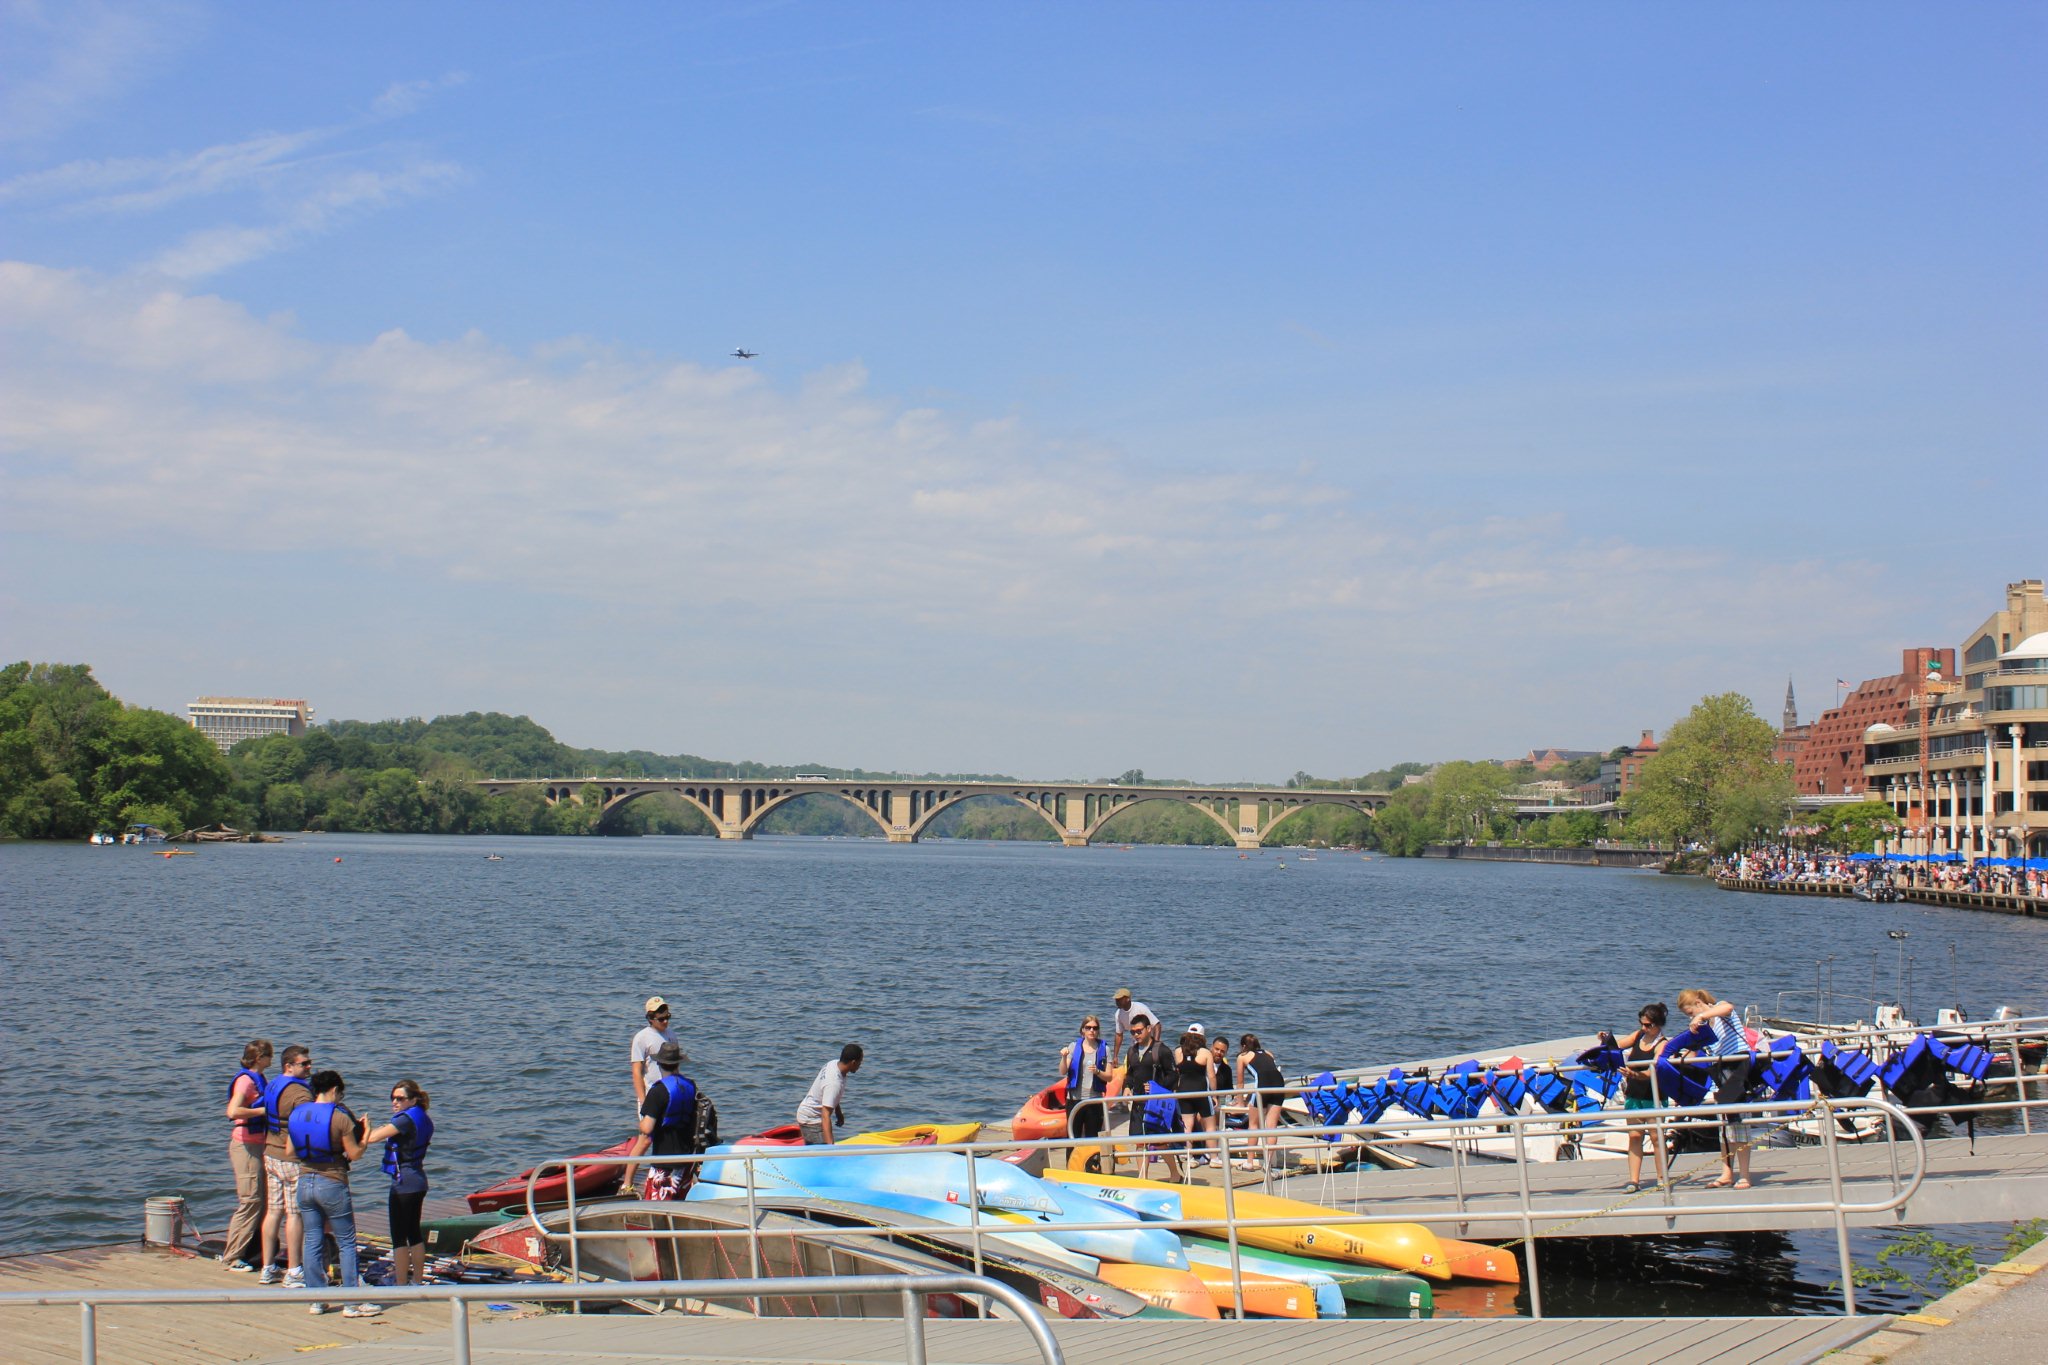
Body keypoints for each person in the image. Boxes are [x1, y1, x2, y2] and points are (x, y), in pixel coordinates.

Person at [287, 1070, 379, 1318]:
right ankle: (352, 1303)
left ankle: (316, 1300)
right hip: (332, 1181)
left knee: (312, 1239)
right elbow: (356, 1154)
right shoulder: (340, 1118)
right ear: (335, 1090)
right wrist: (366, 1132)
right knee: (347, 1241)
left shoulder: (297, 1114)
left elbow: (289, 1151)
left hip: (305, 1182)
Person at [1673, 988, 1756, 1189]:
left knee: (1738, 1121)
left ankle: (1744, 1175)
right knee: (1725, 1124)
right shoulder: (1705, 1024)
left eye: (1690, 1012)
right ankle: (1726, 1172)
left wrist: (1701, 1016)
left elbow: (1728, 1007)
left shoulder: (1718, 1009)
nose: (1691, 1017)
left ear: (1699, 1002)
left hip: (1738, 1066)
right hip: (1720, 1070)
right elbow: (1694, 1053)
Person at [361, 1080, 433, 1290]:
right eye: (392, 1097)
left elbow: (373, 1138)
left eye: (400, 1098)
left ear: (412, 1100)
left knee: (399, 1237)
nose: (394, 1102)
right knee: (414, 1233)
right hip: (419, 1181)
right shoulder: (422, 1117)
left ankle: (401, 1284)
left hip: (404, 1185)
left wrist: (365, 1129)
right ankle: (417, 1281)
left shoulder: (404, 1120)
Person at [258, 1046, 314, 1287]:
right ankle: (294, 1270)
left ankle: (268, 1267)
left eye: (309, 1062)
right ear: (288, 1066)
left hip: (269, 1154)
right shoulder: (300, 1094)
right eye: (304, 1064)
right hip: (290, 1159)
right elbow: (310, 1123)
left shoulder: (272, 1085)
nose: (309, 1067)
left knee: (273, 1211)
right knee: (294, 1214)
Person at [623, 1042, 701, 1198]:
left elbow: (646, 1128)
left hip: (664, 1161)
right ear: (678, 1063)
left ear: (659, 1064)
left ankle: (627, 1184)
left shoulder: (658, 1091)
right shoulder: (691, 1085)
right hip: (686, 1159)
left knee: (656, 1206)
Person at [221, 1039, 272, 1272]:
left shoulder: (260, 1079)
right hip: (245, 1145)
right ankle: (232, 1256)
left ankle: (251, 1249)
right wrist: (264, 1110)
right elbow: (232, 1111)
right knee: (250, 1200)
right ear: (260, 1058)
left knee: (262, 1201)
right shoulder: (245, 1081)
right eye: (269, 1055)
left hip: (259, 1144)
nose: (272, 1059)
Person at [1120, 1014, 1182, 1181]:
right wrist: (1126, 1088)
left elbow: (1173, 1076)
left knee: (1160, 1142)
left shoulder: (1161, 1050)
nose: (1136, 1035)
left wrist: (1156, 1087)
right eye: (1132, 1032)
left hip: (1156, 1104)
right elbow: (1130, 1074)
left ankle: (1175, 1174)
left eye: (1139, 1031)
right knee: (1140, 1142)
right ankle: (1143, 1178)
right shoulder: (1132, 1051)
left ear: (1148, 1029)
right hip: (1139, 1104)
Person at [1615, 1003, 1668, 1193]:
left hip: (1653, 1094)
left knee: (1656, 1137)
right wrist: (1605, 1040)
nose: (1644, 1028)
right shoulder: (1638, 1036)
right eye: (1642, 1024)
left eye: (1648, 1025)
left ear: (1658, 1024)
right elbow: (1617, 1045)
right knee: (1635, 1136)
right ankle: (1633, 1180)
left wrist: (1636, 1074)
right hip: (1634, 1094)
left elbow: (1653, 1070)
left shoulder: (1662, 1043)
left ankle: (1662, 1178)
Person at [1233, 1034, 1287, 1172]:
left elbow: (1240, 1082)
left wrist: (1240, 1102)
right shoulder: (1268, 1053)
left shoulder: (1242, 1057)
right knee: (1271, 1126)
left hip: (1263, 1084)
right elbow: (1269, 1069)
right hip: (1279, 1083)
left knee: (1253, 1124)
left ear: (1243, 1046)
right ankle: (1268, 1165)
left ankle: (1249, 1162)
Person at [1173, 1023, 1219, 1172]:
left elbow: (1178, 1073)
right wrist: (1214, 1093)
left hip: (1184, 1092)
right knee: (1210, 1126)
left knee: (1187, 1125)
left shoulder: (1178, 1051)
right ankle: (1214, 1158)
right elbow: (1211, 1076)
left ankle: (1189, 1157)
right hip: (1201, 1092)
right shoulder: (1205, 1053)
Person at [1059, 1016, 1113, 1141]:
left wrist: (1098, 1071)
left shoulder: (1104, 1049)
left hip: (1094, 1100)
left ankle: (1092, 1161)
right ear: (1083, 1030)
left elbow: (1109, 1077)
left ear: (1098, 1030)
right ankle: (1071, 1161)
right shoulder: (1073, 1047)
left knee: (1092, 1139)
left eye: (1095, 1028)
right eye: (1088, 1028)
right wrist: (1063, 1057)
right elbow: (1063, 1071)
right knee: (1073, 1138)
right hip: (1074, 1100)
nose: (1091, 1031)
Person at [796, 1044, 862, 1145]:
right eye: (860, 1062)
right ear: (853, 1062)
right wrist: (830, 1147)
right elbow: (825, 1115)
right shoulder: (834, 1083)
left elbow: (829, 1096)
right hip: (811, 1120)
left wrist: (838, 1112)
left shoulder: (833, 1064)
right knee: (822, 1154)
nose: (860, 1066)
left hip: (808, 1112)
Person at [631, 997, 685, 1108]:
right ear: (651, 1018)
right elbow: (636, 1072)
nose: (665, 1022)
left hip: (671, 1094)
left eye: (667, 1017)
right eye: (661, 1019)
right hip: (651, 1096)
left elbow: (675, 1067)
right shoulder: (641, 1038)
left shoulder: (671, 1035)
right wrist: (643, 1101)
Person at [1110, 988, 1153, 1068]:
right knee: (1128, 1069)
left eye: (1119, 999)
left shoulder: (1140, 1008)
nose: (1117, 1002)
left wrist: (1155, 1046)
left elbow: (1157, 1025)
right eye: (1116, 999)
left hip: (1148, 1045)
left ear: (1127, 999)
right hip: (1135, 1046)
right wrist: (1115, 1056)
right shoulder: (1118, 1014)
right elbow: (1119, 1035)